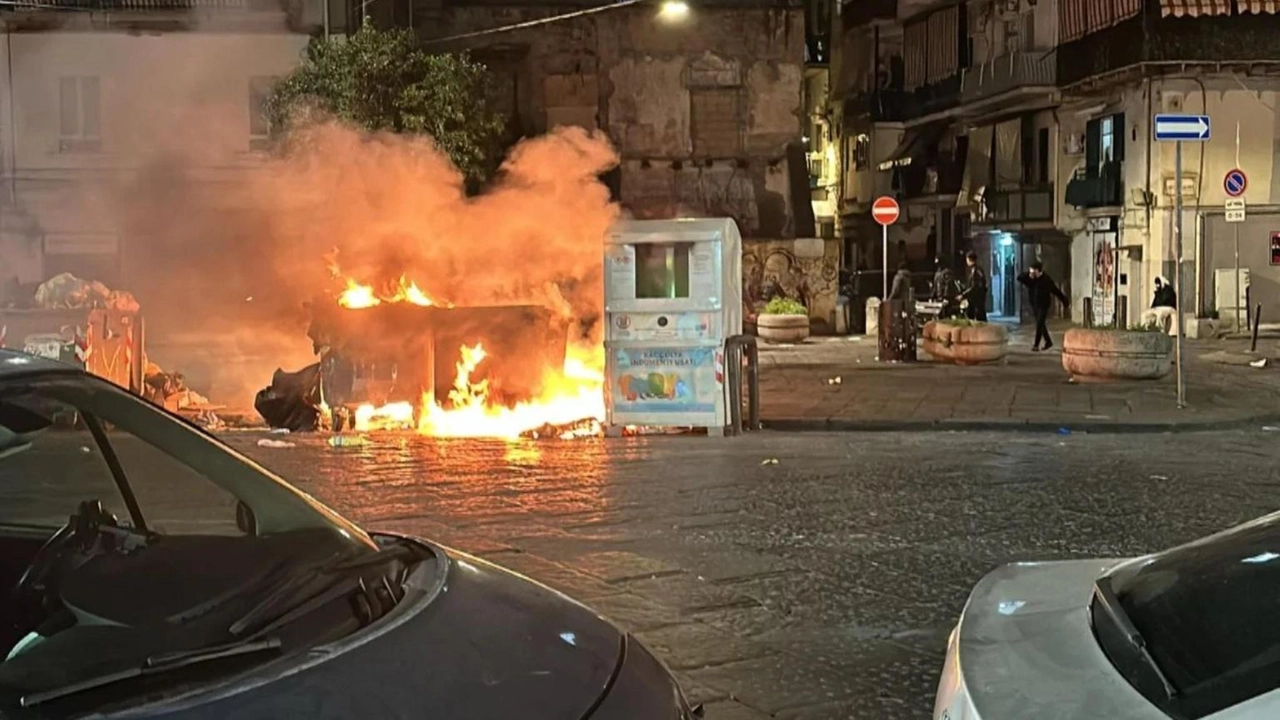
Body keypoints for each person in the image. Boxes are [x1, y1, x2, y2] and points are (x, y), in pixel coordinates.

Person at [1017, 261, 1070, 351]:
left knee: (1039, 324)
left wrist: (1065, 301)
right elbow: (1019, 278)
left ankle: (1036, 345)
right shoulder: (1030, 279)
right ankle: (1048, 341)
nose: (1031, 272)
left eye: (1033, 270)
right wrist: (1029, 274)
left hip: (1044, 304)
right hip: (1034, 304)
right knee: (1040, 324)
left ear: (1038, 270)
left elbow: (1056, 291)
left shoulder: (1046, 280)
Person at [957, 251, 988, 321]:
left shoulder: (976, 271)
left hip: (977, 301)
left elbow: (974, 287)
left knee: (979, 319)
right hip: (974, 301)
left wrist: (963, 295)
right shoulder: (975, 270)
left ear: (968, 259)